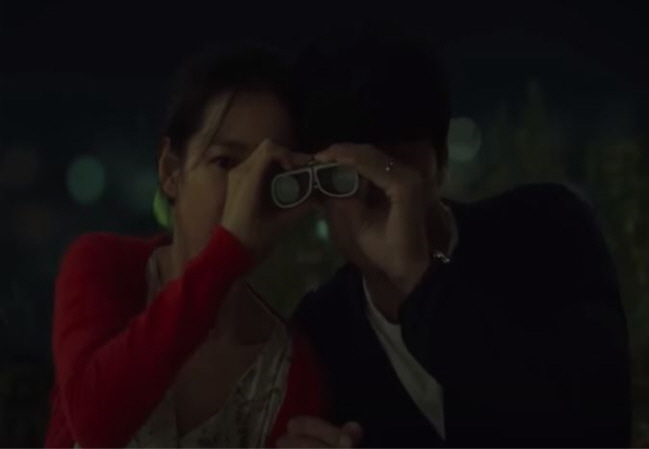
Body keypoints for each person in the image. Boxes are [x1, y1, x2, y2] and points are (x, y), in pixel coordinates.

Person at [284, 23, 631, 447]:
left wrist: (419, 278)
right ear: (317, 192)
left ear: (441, 160)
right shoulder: (322, 331)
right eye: (346, 177)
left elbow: (598, 424)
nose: (379, 195)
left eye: (395, 168)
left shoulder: (545, 230)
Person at [44, 44, 342, 448]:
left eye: (269, 173)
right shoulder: (105, 266)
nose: (246, 190)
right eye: (225, 162)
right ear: (171, 170)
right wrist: (229, 250)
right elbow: (96, 422)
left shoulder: (289, 368)